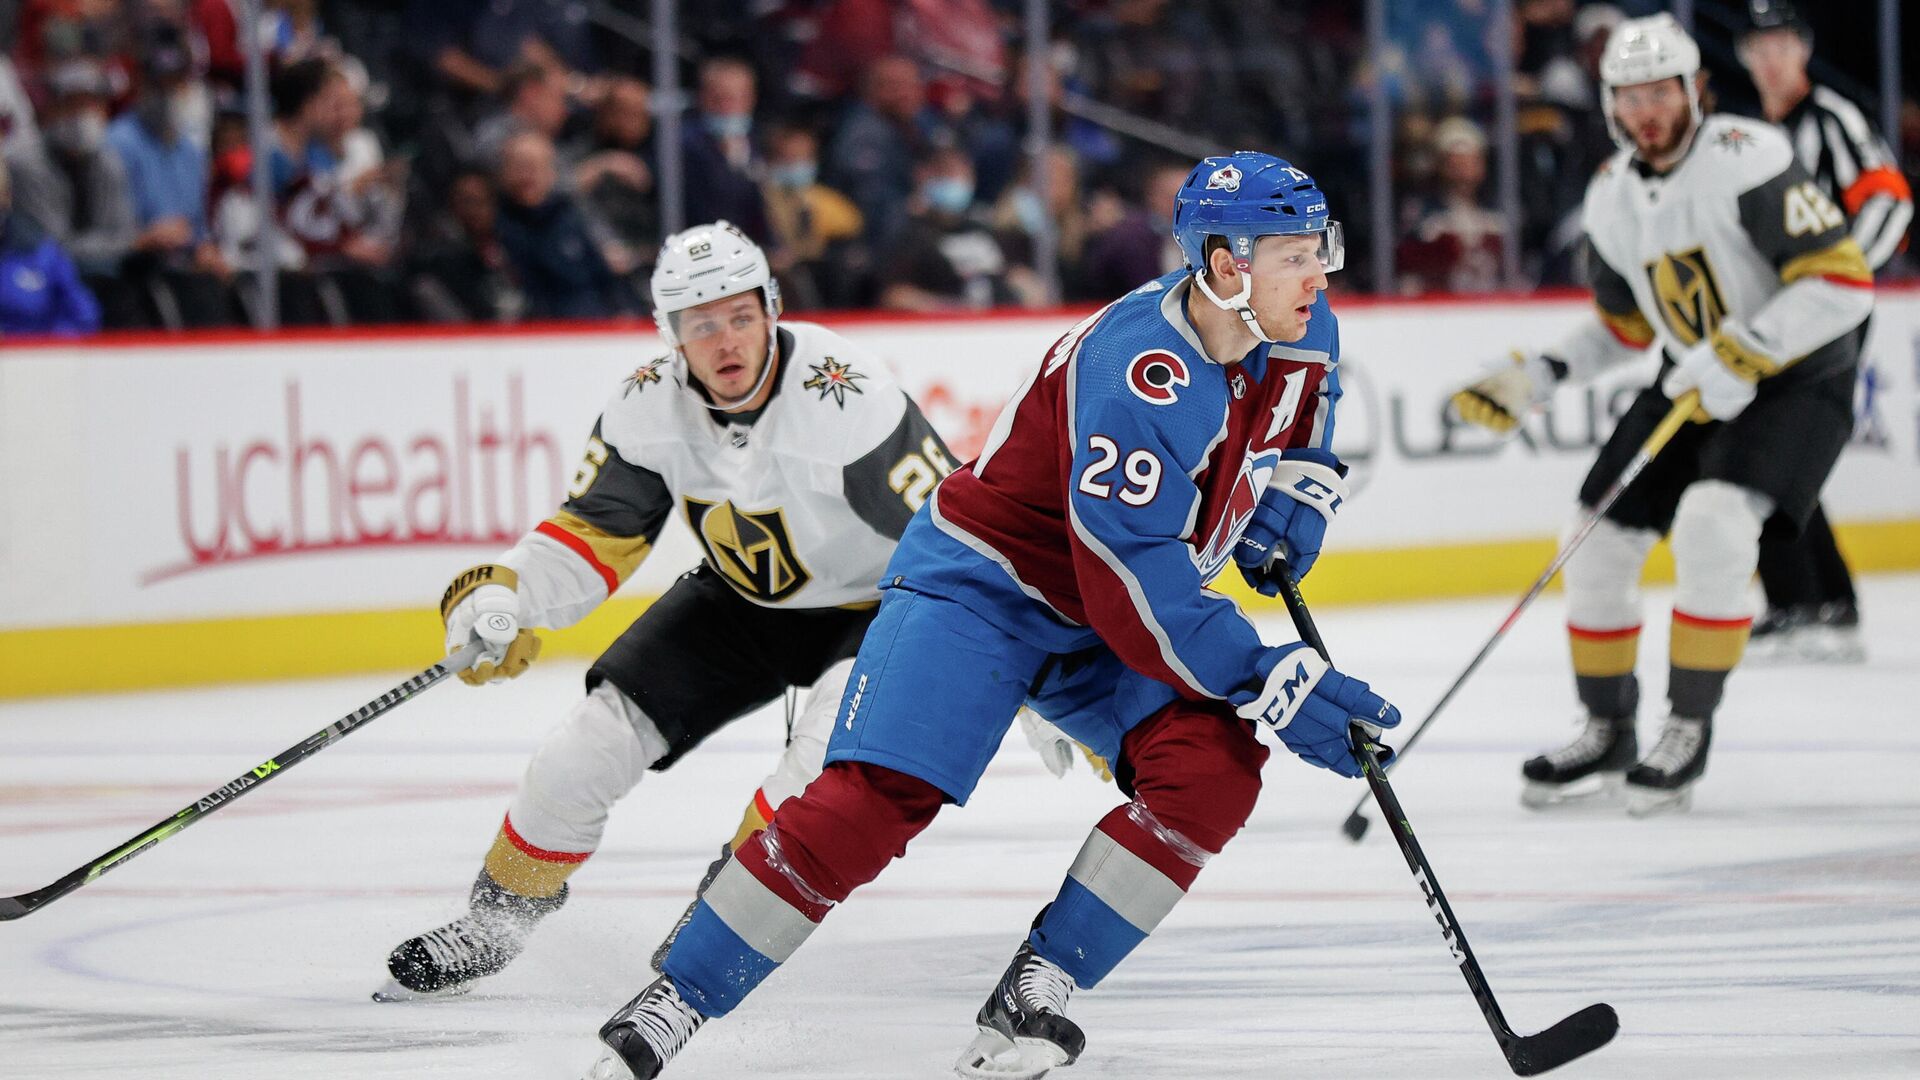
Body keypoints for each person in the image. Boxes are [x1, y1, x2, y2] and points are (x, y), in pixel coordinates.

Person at [587, 151, 1402, 1080]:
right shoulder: (1139, 374)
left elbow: (1308, 399)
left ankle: (1035, 989)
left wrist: (1299, 487)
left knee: (1211, 771)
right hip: (984, 593)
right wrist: (1268, 679)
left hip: (1100, 610)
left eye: (1320, 248)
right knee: (873, 802)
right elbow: (1130, 585)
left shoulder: (1295, 318)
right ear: (1227, 266)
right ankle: (674, 1000)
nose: (1322, 273)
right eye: (1298, 254)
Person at [375, 221, 1080, 1002]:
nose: (726, 341)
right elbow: (597, 531)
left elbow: (960, 532)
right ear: (670, 335)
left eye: (741, 316)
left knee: (812, 773)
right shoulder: (647, 402)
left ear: (772, 309)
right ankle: (495, 923)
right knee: (588, 742)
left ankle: (722, 926)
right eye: (701, 325)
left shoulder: (847, 396)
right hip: (739, 602)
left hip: (876, 610)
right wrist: (505, 591)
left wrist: (1023, 669)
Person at [1449, 15, 1873, 816]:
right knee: (1595, 536)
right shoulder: (1611, 196)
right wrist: (1541, 374)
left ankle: (1686, 725)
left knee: (1716, 525)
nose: (1649, 110)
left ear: (1694, 92)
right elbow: (1627, 327)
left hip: (1797, 378)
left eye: (1662, 92)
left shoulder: (1751, 159)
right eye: (1632, 95)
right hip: (1696, 377)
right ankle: (1608, 727)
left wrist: (1749, 348)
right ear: (1611, 103)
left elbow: (1841, 281)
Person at [1735, 0, 1910, 663]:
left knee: (1767, 448)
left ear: (1804, 49)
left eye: (1782, 43)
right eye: (1759, 46)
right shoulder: (1756, 134)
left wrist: (1839, 282)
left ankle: (1803, 601)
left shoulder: (1832, 119)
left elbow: (1890, 197)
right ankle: (1823, 599)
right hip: (1784, 315)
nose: (1771, 57)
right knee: (1784, 449)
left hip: (1823, 316)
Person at [0, 154, 102, 336]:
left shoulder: (42, 252)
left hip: (33, 356)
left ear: (6, 197)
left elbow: (84, 316)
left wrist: (46, 348)